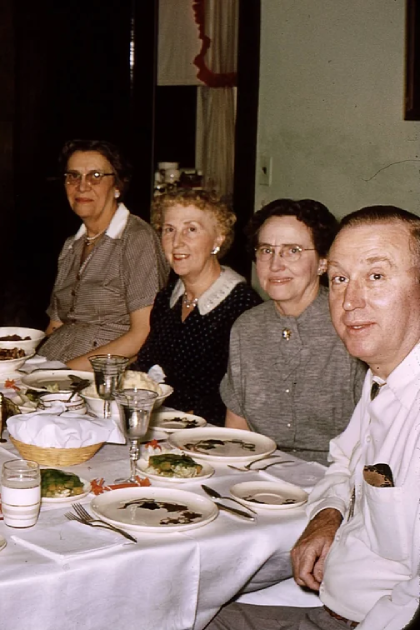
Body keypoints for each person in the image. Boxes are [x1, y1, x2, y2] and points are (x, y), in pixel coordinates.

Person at [207, 206, 420, 630]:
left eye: (376, 276)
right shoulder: (383, 375)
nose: (350, 299)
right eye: (341, 278)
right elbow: (345, 459)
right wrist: (330, 514)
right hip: (329, 590)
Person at [221, 199, 366, 463]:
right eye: (266, 250)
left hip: (335, 478)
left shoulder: (350, 325)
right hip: (258, 475)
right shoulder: (247, 327)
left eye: (293, 250)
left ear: (324, 262)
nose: (275, 264)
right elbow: (236, 428)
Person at [134, 190, 261, 424]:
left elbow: (239, 399)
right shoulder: (166, 299)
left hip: (208, 435)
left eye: (191, 229)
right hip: (161, 427)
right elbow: (146, 369)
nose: (177, 242)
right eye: (169, 229)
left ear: (218, 238)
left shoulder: (242, 306)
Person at [39, 139, 169, 369]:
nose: (82, 186)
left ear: (117, 186)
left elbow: (143, 334)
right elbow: (56, 326)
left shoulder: (137, 239)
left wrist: (62, 372)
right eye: (73, 176)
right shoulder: (72, 245)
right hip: (52, 366)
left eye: (95, 176)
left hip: (101, 377)